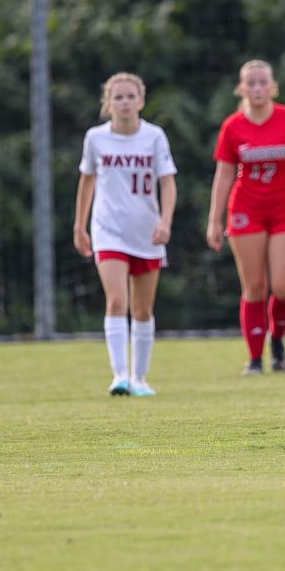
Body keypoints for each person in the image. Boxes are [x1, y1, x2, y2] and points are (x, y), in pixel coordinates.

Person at [73, 72, 178, 397]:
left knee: (142, 309)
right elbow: (87, 181)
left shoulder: (154, 137)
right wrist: (80, 226)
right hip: (108, 230)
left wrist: (165, 222)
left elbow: (167, 182)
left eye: (131, 96)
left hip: (146, 232)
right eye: (118, 97)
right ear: (109, 103)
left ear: (141, 101)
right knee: (117, 300)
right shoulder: (96, 138)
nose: (125, 102)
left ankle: (139, 378)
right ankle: (119, 376)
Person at [206, 60, 285, 375]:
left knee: (284, 286)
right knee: (254, 286)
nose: (256, 88)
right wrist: (214, 220)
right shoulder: (232, 126)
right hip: (247, 209)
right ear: (241, 88)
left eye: (262, 82)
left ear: (272, 86)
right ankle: (255, 359)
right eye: (250, 83)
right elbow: (224, 175)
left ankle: (277, 339)